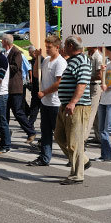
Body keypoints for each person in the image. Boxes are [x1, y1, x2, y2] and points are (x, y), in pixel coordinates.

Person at [54, 36, 92, 185]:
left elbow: (82, 84)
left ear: (70, 45)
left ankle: (77, 175)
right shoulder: (71, 60)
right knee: (59, 136)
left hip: (77, 107)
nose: (63, 46)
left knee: (74, 142)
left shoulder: (82, 61)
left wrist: (73, 102)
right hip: (66, 105)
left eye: (65, 44)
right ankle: (84, 160)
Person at [27, 35, 67, 166]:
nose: (47, 49)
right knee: (45, 132)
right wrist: (38, 58)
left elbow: (59, 82)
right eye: (46, 47)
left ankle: (75, 156)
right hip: (45, 103)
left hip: (56, 103)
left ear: (57, 47)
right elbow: (36, 74)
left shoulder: (60, 62)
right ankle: (44, 157)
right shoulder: (46, 60)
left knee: (60, 134)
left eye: (49, 47)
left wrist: (44, 92)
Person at [2, 34, 36, 144]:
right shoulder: (6, 53)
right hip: (7, 88)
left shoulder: (16, 52)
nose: (1, 43)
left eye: (3, 41)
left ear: (6, 42)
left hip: (15, 87)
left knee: (18, 111)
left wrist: (3, 64)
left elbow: (16, 67)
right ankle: (4, 134)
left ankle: (30, 131)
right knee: (5, 112)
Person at [85, 47, 104, 142]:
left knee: (90, 113)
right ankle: (99, 136)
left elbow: (99, 76)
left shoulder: (98, 57)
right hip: (89, 86)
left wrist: (85, 77)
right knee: (95, 114)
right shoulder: (88, 55)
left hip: (95, 86)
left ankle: (83, 138)